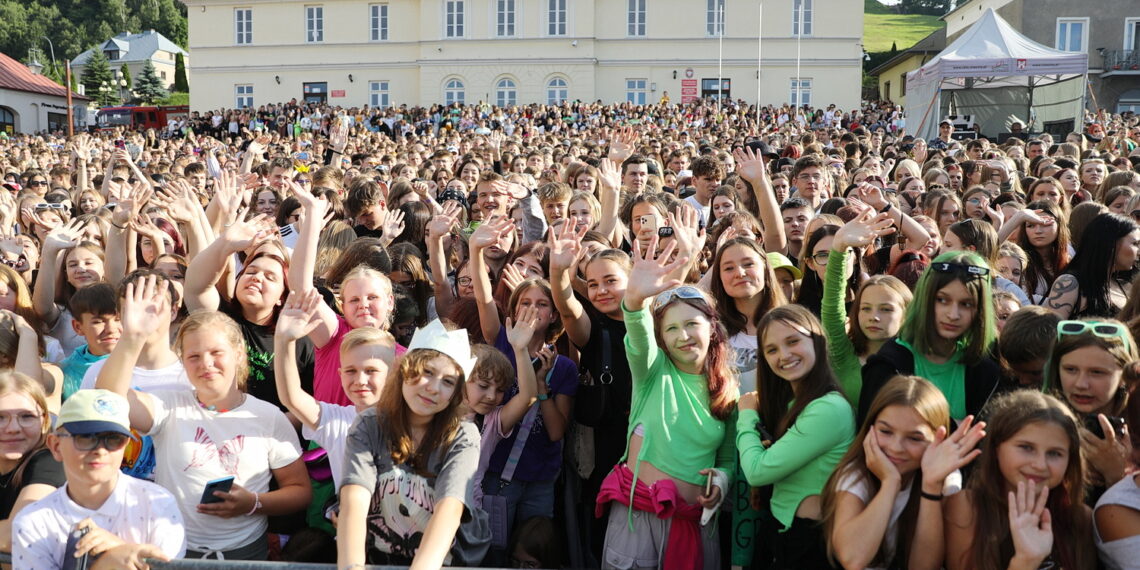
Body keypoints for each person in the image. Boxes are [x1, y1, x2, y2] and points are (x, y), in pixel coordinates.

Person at [95, 275, 310, 560]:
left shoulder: (268, 416)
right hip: (175, 553)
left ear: (238, 355)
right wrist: (133, 337)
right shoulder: (168, 406)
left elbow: (299, 491)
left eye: (216, 352)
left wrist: (253, 503)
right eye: (193, 357)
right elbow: (110, 397)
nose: (205, 364)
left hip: (245, 555)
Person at [598, 236, 736, 569]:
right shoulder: (652, 372)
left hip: (698, 525)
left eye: (691, 324)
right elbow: (639, 337)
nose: (683, 336)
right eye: (671, 329)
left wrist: (720, 482)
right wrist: (633, 300)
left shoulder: (728, 387)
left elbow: (728, 457)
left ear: (712, 327)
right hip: (638, 524)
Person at [336, 319, 490, 567]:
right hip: (380, 554)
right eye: (427, 372)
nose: (433, 388)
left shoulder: (463, 434)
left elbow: (449, 510)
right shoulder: (369, 424)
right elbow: (354, 501)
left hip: (443, 560)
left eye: (448, 382)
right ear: (404, 370)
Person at [821, 375, 985, 570]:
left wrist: (930, 487)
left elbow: (923, 567)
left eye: (915, 438)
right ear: (870, 428)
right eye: (886, 431)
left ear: (937, 440)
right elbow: (853, 558)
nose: (896, 447)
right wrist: (890, 483)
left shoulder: (947, 479)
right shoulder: (856, 474)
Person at [736, 304, 854, 568]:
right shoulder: (795, 401)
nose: (784, 355)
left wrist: (746, 415)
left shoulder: (828, 408)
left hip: (809, 541)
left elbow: (757, 470)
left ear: (817, 340)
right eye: (772, 349)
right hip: (780, 531)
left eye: (793, 341)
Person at [12, 389, 185, 569]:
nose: (100, 450)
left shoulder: (158, 503)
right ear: (56, 445)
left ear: (125, 445)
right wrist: (103, 564)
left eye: (113, 439)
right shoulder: (33, 521)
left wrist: (120, 550)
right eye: (86, 438)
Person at [943, 390, 1095, 570]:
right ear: (996, 449)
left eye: (1055, 453)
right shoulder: (966, 507)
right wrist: (1025, 561)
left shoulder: (1080, 518)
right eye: (1026, 447)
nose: (1040, 464)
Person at [274, 289, 396, 489]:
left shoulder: (412, 419)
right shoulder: (337, 420)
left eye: (371, 370)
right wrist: (283, 341)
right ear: (340, 375)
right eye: (350, 371)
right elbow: (292, 397)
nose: (360, 380)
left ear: (392, 374)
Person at [859, 251, 1000, 424]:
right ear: (925, 299)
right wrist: (955, 426)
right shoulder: (887, 365)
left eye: (966, 304)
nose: (953, 314)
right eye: (942, 300)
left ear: (980, 310)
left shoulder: (985, 370)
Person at [822, 211, 911, 404]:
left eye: (886, 309)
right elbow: (832, 305)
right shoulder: (843, 356)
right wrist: (839, 246)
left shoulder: (918, 360)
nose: (874, 317)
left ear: (907, 313)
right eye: (865, 308)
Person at [1047, 318, 1139, 502]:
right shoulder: (1040, 421)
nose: (1081, 384)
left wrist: (1117, 475)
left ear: (1123, 375)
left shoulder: (1136, 429)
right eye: (1071, 369)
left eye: (1097, 372)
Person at [0, 370, 64, 553]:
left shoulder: (50, 461)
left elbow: (19, 532)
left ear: (44, 421)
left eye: (26, 417)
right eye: (0, 417)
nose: (13, 428)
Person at [1045, 213, 1140, 319]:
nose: (1139, 251)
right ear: (1111, 244)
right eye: (1135, 244)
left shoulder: (1124, 283)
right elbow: (1050, 332)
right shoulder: (1070, 283)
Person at [59, 284, 120, 401]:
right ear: (78, 327)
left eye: (118, 319)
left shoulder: (141, 363)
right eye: (98, 322)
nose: (111, 329)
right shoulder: (65, 371)